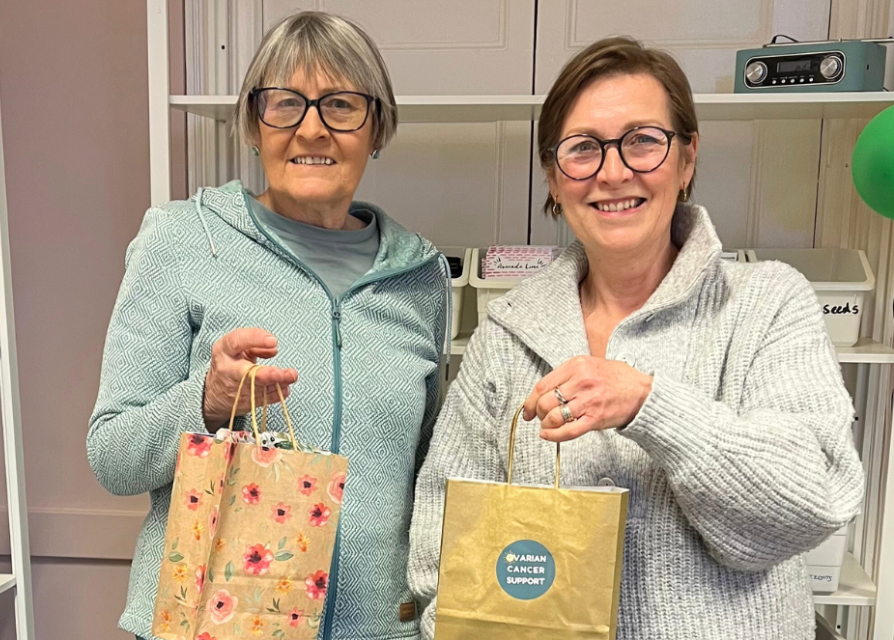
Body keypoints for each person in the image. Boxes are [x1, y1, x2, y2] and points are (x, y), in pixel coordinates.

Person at [408, 36, 864, 640]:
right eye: (583, 148)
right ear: (553, 177)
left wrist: (650, 405)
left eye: (643, 141)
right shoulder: (509, 330)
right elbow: (443, 537)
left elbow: (812, 501)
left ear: (687, 159)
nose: (614, 171)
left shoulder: (766, 303)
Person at [88, 12, 450, 640]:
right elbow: (112, 456)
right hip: (212, 624)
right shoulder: (182, 240)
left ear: (377, 129)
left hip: (377, 629)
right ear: (254, 126)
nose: (312, 128)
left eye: (341, 105)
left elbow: (426, 474)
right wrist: (207, 400)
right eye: (285, 104)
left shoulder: (420, 276)